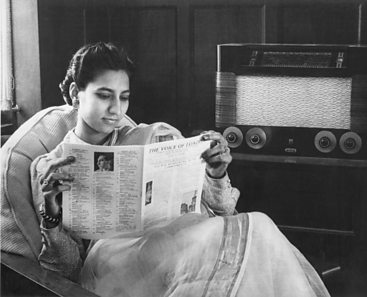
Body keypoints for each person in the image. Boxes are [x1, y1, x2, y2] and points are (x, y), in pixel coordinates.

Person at [30, 42, 330, 297]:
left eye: (124, 97)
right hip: (113, 267)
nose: (116, 110)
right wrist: (51, 213)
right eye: (104, 95)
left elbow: (224, 215)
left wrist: (215, 173)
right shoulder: (47, 166)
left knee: (258, 226)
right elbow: (64, 271)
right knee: (246, 232)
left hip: (174, 248)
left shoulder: (148, 137)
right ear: (75, 92)